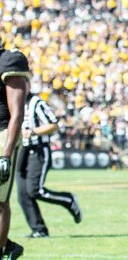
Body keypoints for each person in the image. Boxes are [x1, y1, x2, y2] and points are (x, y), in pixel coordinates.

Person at [16, 93, 81, 238]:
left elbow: (53, 124)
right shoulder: (14, 102)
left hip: (39, 151)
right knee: (22, 194)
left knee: (34, 190)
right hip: (22, 152)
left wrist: (33, 132)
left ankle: (68, 199)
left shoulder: (36, 102)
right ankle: (39, 229)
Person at [0, 46, 27, 259]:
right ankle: (9, 246)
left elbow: (17, 113)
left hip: (2, 135)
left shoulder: (9, 60)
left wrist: (6, 154)